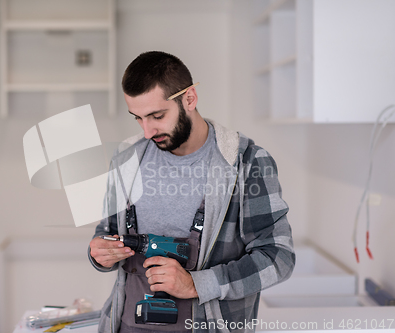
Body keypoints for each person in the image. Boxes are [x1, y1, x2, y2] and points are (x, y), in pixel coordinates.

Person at [88, 51, 295, 333]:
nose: (147, 131)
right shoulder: (126, 157)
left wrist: (199, 284)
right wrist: (100, 251)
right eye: (138, 118)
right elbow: (107, 229)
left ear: (189, 99)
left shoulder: (246, 163)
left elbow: (278, 257)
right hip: (127, 324)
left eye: (157, 116)